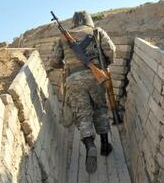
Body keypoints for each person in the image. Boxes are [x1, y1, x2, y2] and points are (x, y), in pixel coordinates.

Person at [49, 11, 116, 174]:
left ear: (74, 22)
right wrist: (105, 63)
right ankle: (105, 145)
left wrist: (68, 66)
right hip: (96, 77)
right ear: (89, 20)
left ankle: (89, 145)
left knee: (82, 114)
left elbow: (54, 61)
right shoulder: (97, 32)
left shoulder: (63, 38)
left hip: (73, 79)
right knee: (100, 109)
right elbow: (111, 50)